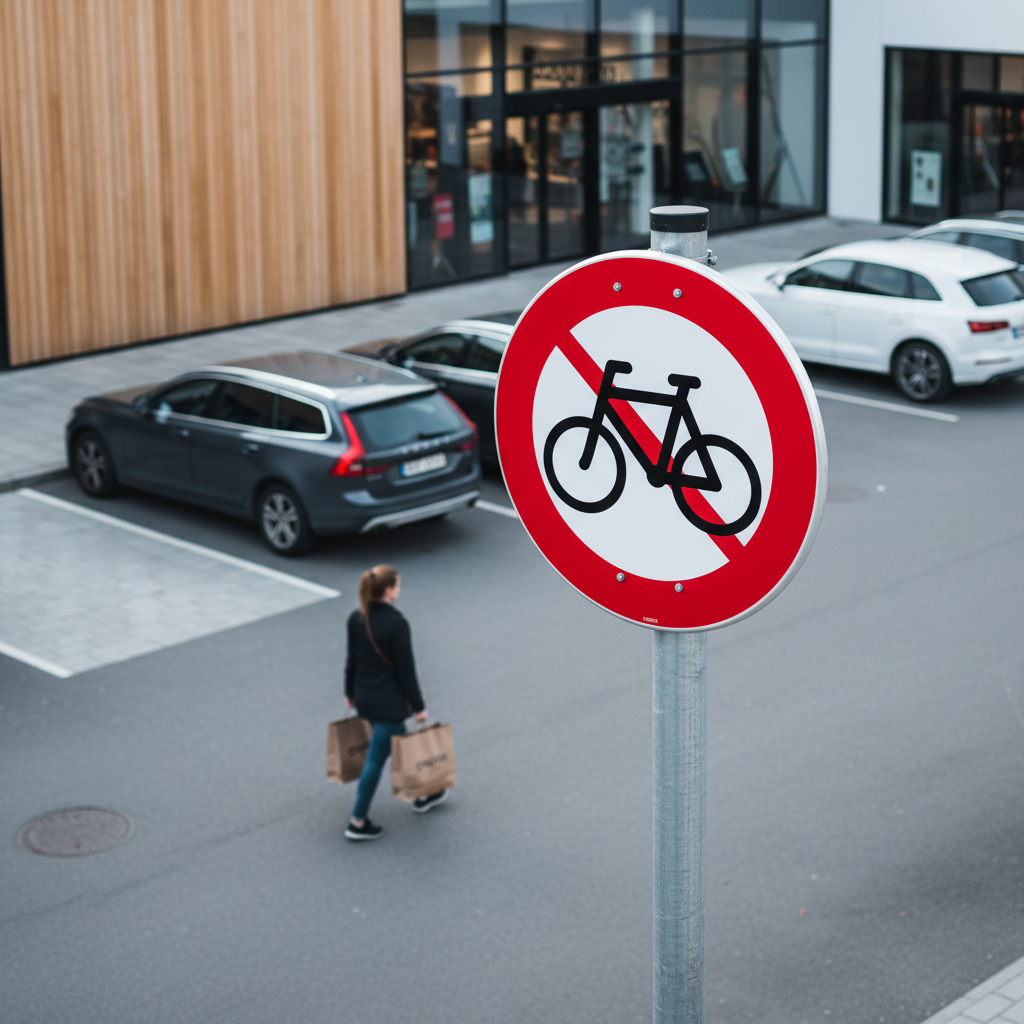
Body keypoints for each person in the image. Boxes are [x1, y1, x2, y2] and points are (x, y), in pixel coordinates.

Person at [343, 565, 449, 840]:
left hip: (365, 699)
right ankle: (358, 821)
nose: (399, 589)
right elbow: (406, 670)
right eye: (398, 585)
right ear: (388, 590)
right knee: (376, 760)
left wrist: (349, 693)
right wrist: (419, 707)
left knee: (405, 747)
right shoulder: (396, 623)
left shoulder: (357, 618)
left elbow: (351, 662)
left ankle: (426, 792)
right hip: (389, 705)